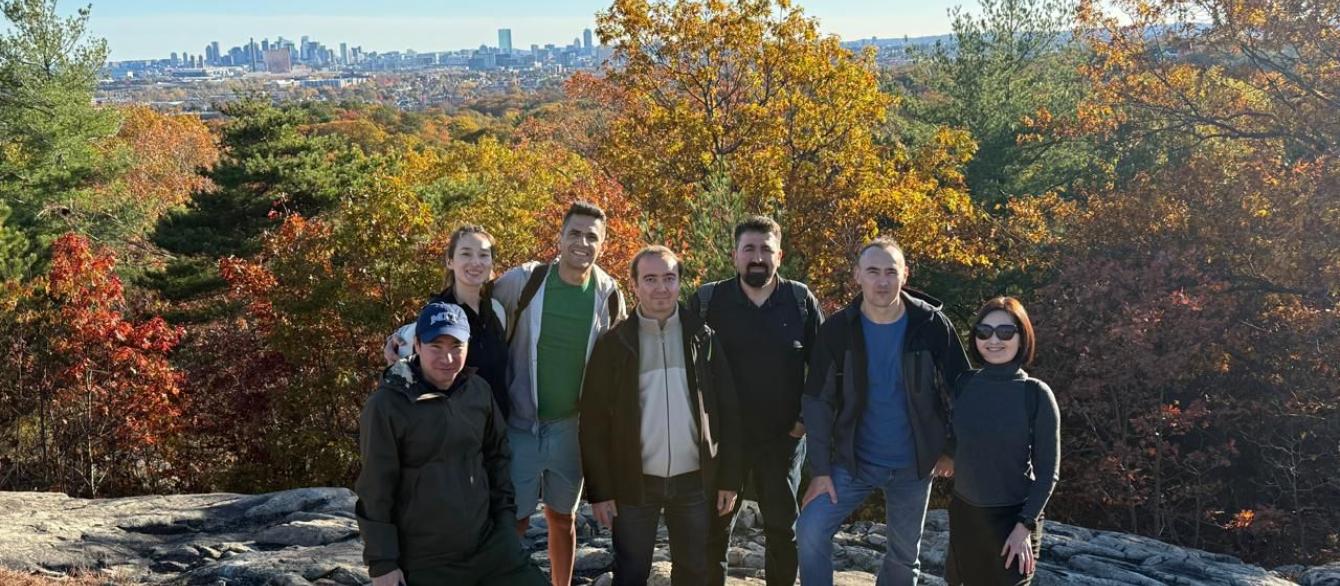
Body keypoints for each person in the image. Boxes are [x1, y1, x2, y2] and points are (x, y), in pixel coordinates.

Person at [797, 238, 970, 586]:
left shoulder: (930, 325)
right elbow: (817, 401)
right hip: (853, 463)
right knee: (810, 529)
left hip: (914, 466)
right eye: (873, 271)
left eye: (891, 271)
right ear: (857, 275)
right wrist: (820, 470)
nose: (882, 281)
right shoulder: (838, 330)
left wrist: (952, 449)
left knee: (904, 560)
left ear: (904, 275)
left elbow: (962, 388)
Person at [579, 245, 742, 586]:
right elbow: (593, 422)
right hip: (634, 483)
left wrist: (729, 479)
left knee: (695, 571)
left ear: (681, 282)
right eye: (650, 279)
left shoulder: (702, 337)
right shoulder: (614, 344)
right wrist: (600, 490)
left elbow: (728, 412)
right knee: (631, 572)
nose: (661, 288)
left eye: (669, 278)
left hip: (695, 481)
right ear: (634, 285)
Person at [355, 302, 547, 586]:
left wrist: (506, 526)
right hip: (427, 560)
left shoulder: (478, 391)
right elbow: (375, 487)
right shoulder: (387, 405)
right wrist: (383, 562)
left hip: (491, 548)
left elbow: (498, 458)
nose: (447, 358)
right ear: (417, 345)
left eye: (456, 346)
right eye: (435, 346)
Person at [491, 201, 627, 586]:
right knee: (514, 517)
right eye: (575, 233)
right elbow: (472, 311)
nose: (582, 242)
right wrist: (409, 338)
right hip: (520, 422)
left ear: (602, 244)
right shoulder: (525, 281)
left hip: (571, 425)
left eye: (591, 236)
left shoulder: (608, 293)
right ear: (560, 237)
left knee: (562, 515)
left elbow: (621, 356)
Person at [689, 216, 823, 586]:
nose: (757, 257)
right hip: (721, 441)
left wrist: (802, 422)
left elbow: (826, 368)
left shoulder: (799, 301)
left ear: (780, 256)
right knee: (714, 530)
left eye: (766, 249)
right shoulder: (708, 301)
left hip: (783, 439)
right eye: (749, 249)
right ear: (734, 256)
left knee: (782, 530)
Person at [944, 297, 1059, 586]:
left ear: (1022, 337)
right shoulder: (965, 384)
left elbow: (1048, 472)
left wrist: (1024, 526)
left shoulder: (1035, 394)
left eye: (1005, 332)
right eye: (984, 331)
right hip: (965, 515)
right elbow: (956, 437)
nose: (994, 340)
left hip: (1014, 521)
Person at [383, 225, 511, 417]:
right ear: (450, 261)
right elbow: (405, 377)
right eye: (466, 254)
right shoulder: (436, 314)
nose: (476, 262)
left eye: (484, 255)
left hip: (497, 433)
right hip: (453, 434)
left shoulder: (497, 311)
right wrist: (396, 343)